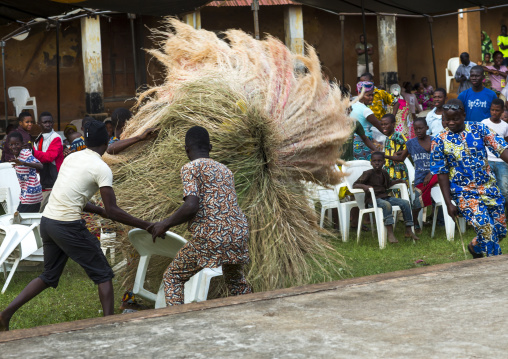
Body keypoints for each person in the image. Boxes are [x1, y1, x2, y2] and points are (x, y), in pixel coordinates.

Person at [0, 120, 153, 331]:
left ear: (86, 140)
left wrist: (139, 137)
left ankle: (4, 315)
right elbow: (113, 210)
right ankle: (109, 328)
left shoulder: (73, 157)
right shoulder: (102, 168)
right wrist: (148, 225)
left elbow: (71, 193)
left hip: (48, 221)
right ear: (107, 140)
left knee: (48, 276)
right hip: (67, 225)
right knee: (103, 274)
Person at [148, 126, 252, 305]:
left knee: (173, 277)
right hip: (238, 234)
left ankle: (178, 322)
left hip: (212, 236)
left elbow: (191, 205)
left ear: (186, 149)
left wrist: (164, 224)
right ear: (210, 148)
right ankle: (250, 317)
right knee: (236, 283)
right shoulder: (226, 171)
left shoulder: (190, 168)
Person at [431, 99, 508, 258]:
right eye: (447, 119)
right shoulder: (439, 140)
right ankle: (496, 268)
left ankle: (476, 247)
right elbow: (441, 173)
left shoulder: (479, 128)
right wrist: (448, 203)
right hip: (464, 192)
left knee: (500, 231)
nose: (450, 122)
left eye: (455, 119)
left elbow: (500, 148)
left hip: (489, 188)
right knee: (487, 230)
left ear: (464, 115)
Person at [353, 151, 419, 244]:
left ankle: (408, 229)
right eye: (374, 161)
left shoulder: (384, 173)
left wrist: (398, 181)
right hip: (373, 200)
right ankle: (390, 232)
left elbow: (388, 185)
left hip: (384, 197)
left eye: (379, 161)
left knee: (405, 203)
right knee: (386, 205)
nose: (377, 163)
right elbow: (355, 184)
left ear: (384, 162)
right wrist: (364, 186)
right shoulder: (368, 173)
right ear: (371, 162)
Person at [405, 118, 438, 231]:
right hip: (420, 177)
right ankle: (414, 221)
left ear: (427, 128)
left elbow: (441, 159)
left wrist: (431, 172)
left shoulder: (435, 141)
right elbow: (401, 157)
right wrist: (386, 156)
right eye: (416, 129)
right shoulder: (411, 143)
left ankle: (437, 218)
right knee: (417, 201)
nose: (418, 131)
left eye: (421, 128)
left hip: (435, 175)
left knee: (439, 193)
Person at [33, 112, 64, 212]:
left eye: (50, 122)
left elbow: (49, 157)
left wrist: (33, 152)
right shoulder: (38, 139)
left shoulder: (56, 138)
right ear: (39, 124)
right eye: (45, 122)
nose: (48, 124)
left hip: (54, 179)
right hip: (43, 179)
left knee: (44, 210)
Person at [481, 98, 508, 208]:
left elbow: (506, 143)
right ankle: (491, 211)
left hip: (502, 162)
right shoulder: (484, 123)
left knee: (505, 189)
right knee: (488, 188)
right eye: (492, 110)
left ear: (502, 111)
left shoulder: (505, 126)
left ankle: (502, 211)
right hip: (488, 161)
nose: (494, 112)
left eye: (497, 110)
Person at [8, 131, 43, 213]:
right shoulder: (17, 155)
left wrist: (23, 163)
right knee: (22, 220)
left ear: (22, 143)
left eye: (17, 144)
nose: (14, 147)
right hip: (26, 194)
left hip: (31, 194)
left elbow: (41, 166)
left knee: (19, 220)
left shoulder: (25, 154)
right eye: (11, 144)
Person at [351, 81, 383, 160]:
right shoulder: (366, 110)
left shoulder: (352, 105)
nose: (371, 98)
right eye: (368, 95)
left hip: (353, 144)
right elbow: (381, 128)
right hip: (364, 144)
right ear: (360, 94)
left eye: (372, 95)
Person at [380, 114, 408, 185]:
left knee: (400, 192)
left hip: (398, 170)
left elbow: (409, 148)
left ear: (393, 124)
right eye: (382, 124)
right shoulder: (387, 138)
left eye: (386, 124)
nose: (383, 126)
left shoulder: (398, 136)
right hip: (388, 170)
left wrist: (398, 153)